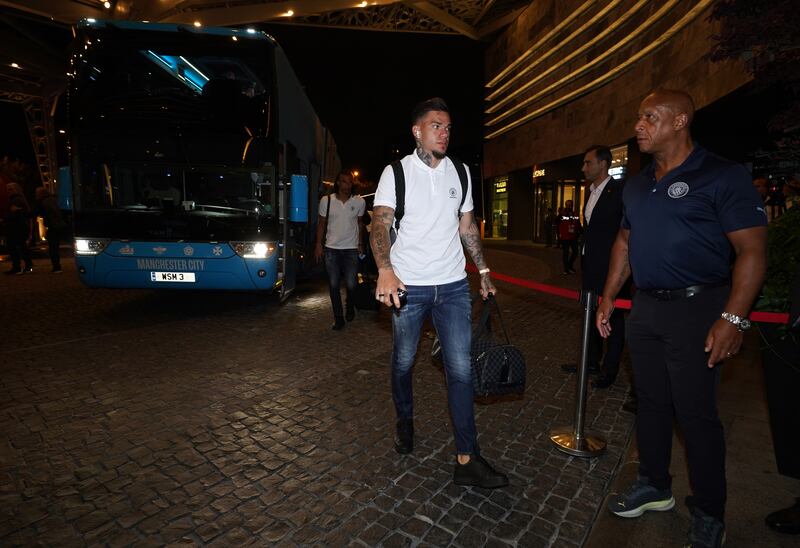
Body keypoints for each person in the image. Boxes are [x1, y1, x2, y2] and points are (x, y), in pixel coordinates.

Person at [596, 89, 767, 547]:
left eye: (649, 117)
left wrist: (734, 318)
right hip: (646, 308)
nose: (638, 126)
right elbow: (625, 244)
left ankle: (710, 511)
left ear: (680, 121)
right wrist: (609, 296)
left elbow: (752, 250)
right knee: (650, 404)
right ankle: (654, 485)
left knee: (696, 414)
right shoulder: (637, 183)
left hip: (699, 308)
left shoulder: (721, 175)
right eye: (638, 117)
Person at [370, 97, 507, 489]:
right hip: (407, 287)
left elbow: (467, 227)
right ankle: (405, 417)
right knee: (403, 361)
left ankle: (467, 458)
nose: (444, 133)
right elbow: (379, 224)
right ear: (417, 130)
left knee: (461, 369)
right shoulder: (396, 172)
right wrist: (385, 270)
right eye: (436, 126)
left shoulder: (461, 173)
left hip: (451, 287)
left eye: (448, 127)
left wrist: (482, 270)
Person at [580, 146, 626, 389]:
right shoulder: (589, 193)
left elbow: (624, 233)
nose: (584, 168)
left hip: (611, 269)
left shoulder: (619, 191)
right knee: (590, 314)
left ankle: (610, 369)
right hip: (590, 267)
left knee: (614, 321)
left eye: (588, 163)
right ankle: (591, 362)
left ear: (603, 164)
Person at [315, 171, 365, 330]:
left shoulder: (359, 202)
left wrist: (360, 244)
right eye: (344, 182)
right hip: (331, 249)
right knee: (334, 284)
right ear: (338, 183)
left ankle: (350, 306)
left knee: (352, 284)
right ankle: (338, 318)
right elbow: (321, 224)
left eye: (350, 182)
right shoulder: (326, 201)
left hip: (351, 249)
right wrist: (318, 245)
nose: (347, 185)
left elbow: (360, 224)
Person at [35, 187, 67, 273]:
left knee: (53, 247)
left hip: (53, 226)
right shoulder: (54, 200)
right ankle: (57, 266)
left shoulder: (45, 202)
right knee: (54, 247)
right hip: (58, 225)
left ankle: (56, 267)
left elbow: (40, 212)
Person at [4, 182, 33, 275]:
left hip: (16, 227)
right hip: (19, 227)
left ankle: (17, 267)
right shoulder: (18, 199)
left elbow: (15, 213)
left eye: (10, 189)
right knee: (21, 247)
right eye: (8, 189)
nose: (8, 191)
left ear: (16, 189)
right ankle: (27, 266)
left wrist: (7, 217)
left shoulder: (16, 200)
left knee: (13, 247)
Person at [558, 199, 581, 274]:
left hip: (573, 237)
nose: (569, 206)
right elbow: (557, 222)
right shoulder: (562, 214)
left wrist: (581, 232)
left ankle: (569, 265)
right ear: (565, 205)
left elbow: (578, 224)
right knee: (566, 253)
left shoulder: (575, 214)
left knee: (575, 252)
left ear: (572, 206)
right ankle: (566, 269)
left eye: (570, 205)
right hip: (565, 237)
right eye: (567, 205)